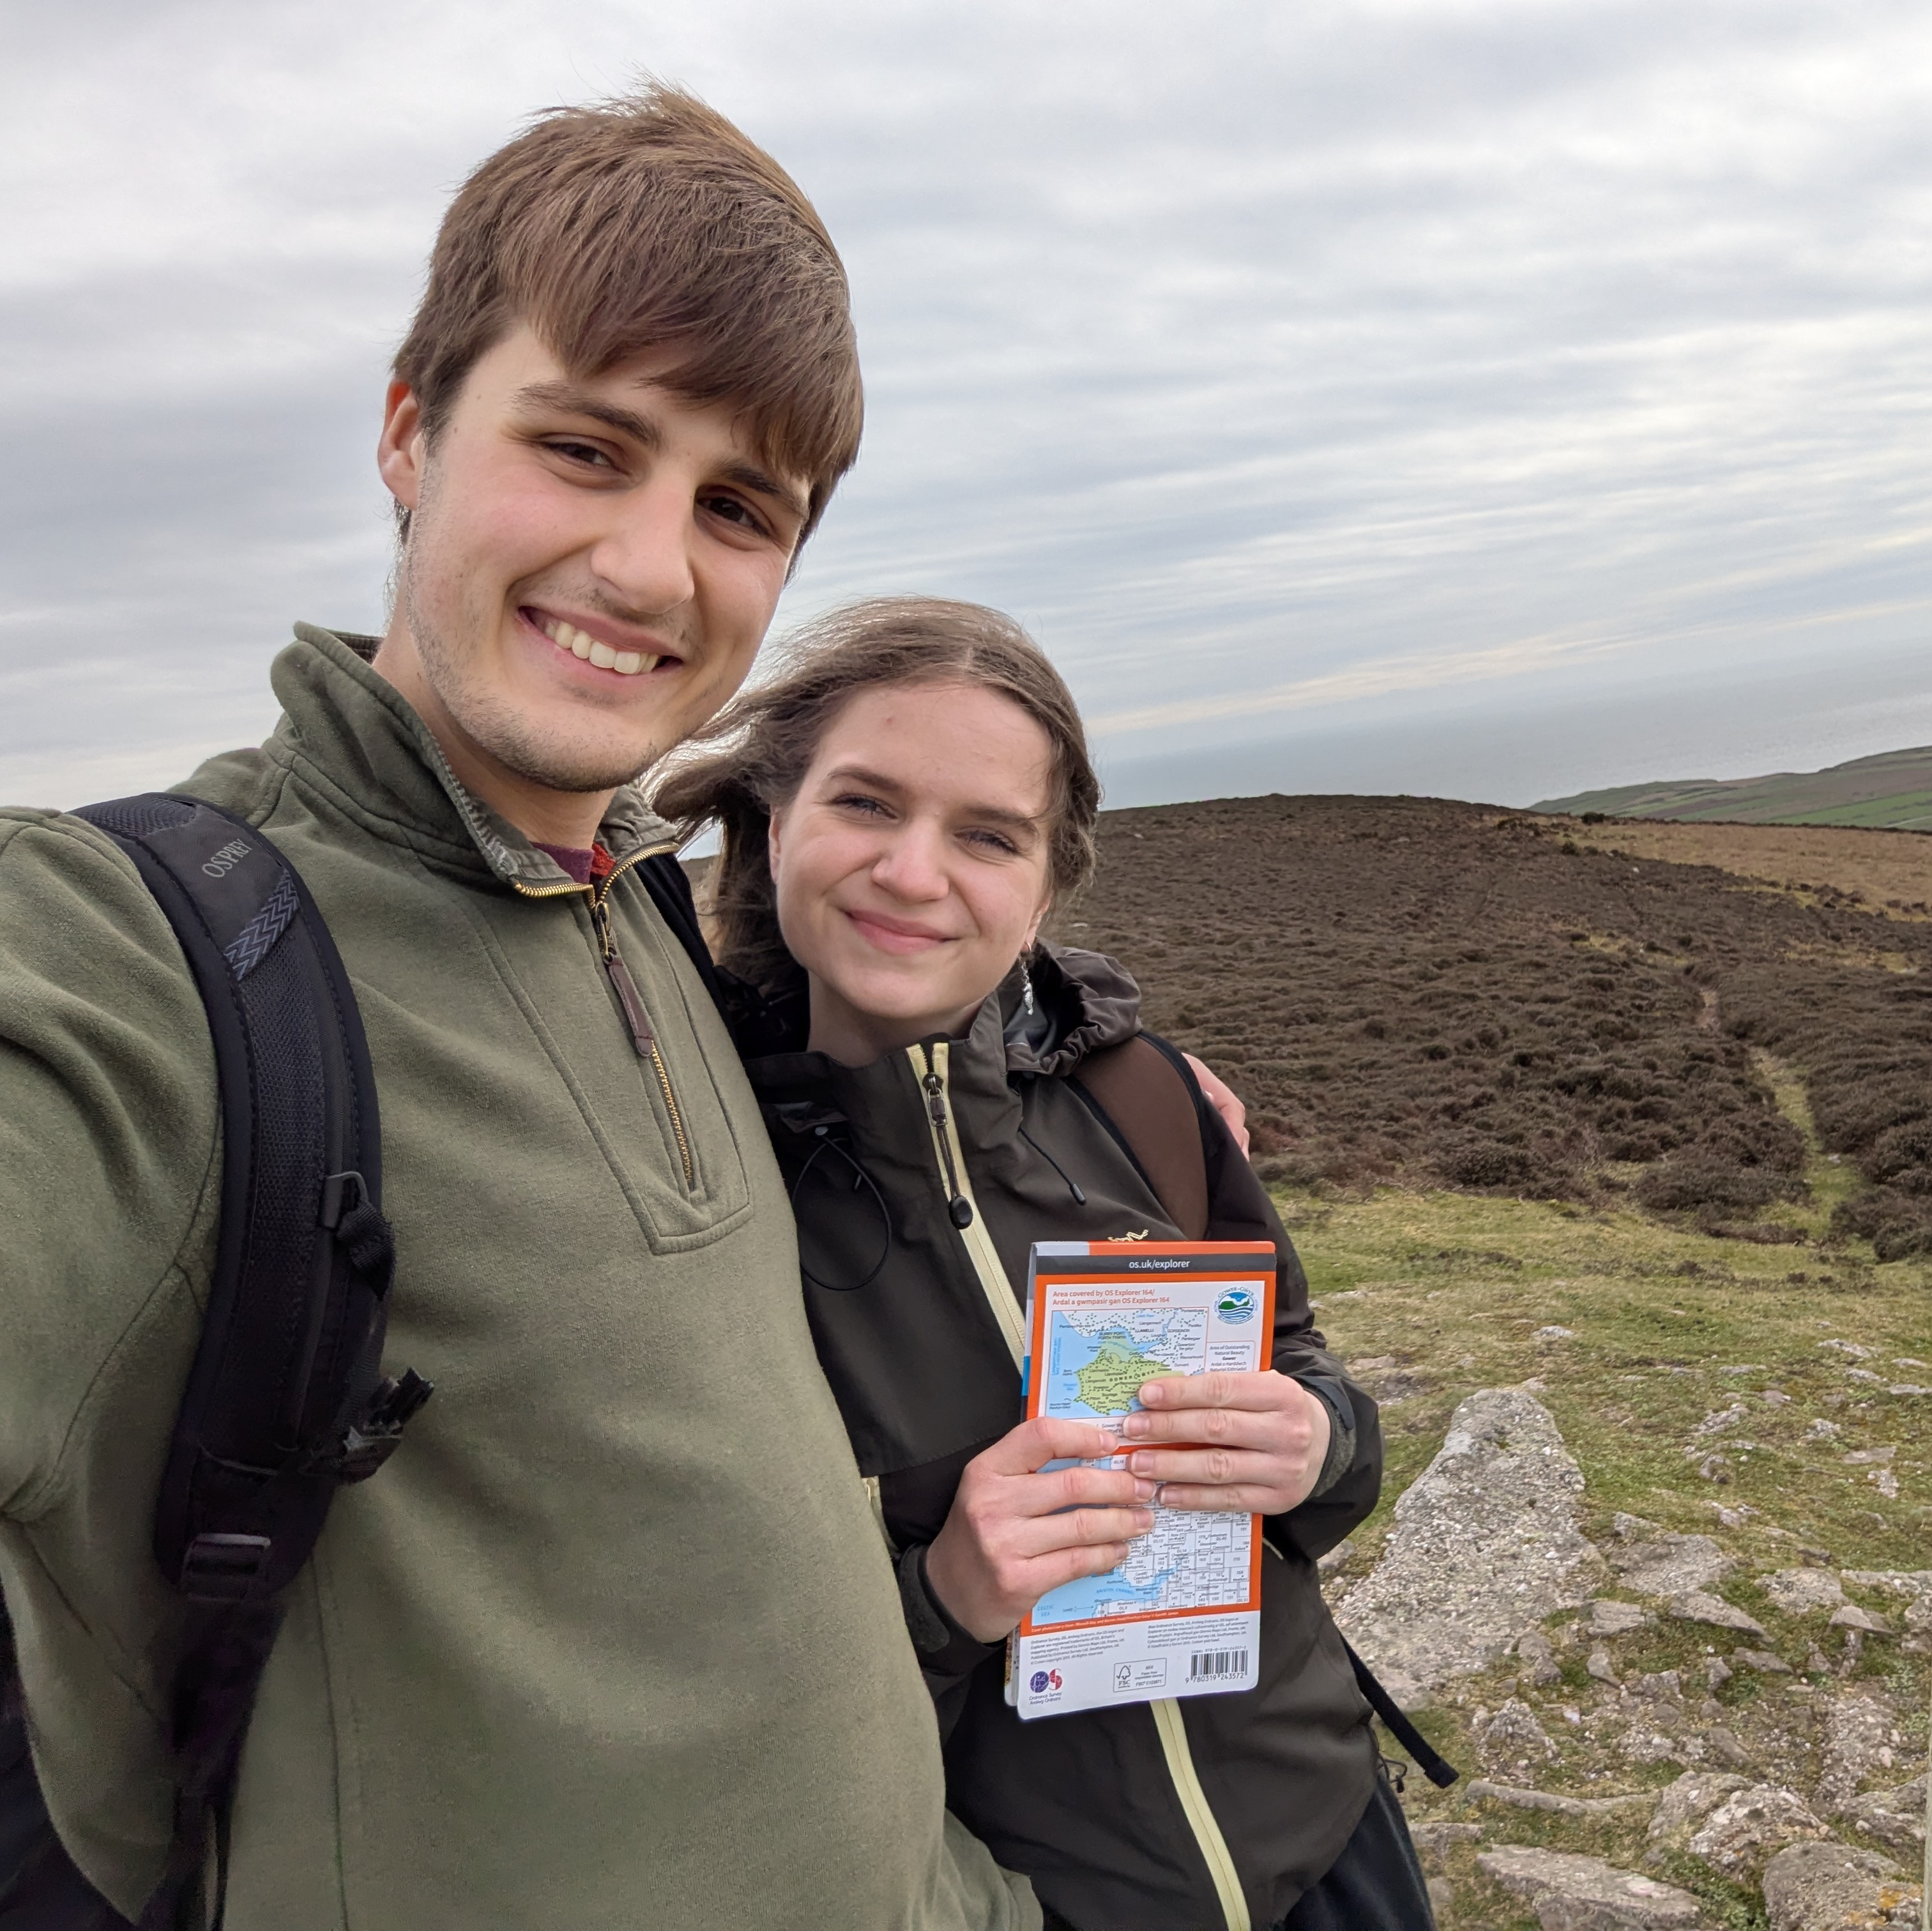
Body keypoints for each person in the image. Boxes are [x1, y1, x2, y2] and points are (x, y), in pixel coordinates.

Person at [0, 90, 1040, 1928]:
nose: (650, 568)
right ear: (408, 434)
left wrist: (1096, 1064)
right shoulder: (142, 952)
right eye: (583, 448)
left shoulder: (633, 897)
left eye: (737, 506)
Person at [654, 598, 1439, 1931]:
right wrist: (944, 1596)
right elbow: (698, 1657)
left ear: (1045, 885)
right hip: (1028, 1900)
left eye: (987, 835)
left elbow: (1312, 1386)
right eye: (865, 804)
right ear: (776, 823)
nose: (916, 873)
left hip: (1329, 1844)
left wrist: (1314, 1446)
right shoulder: (701, 1194)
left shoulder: (1147, 1105)